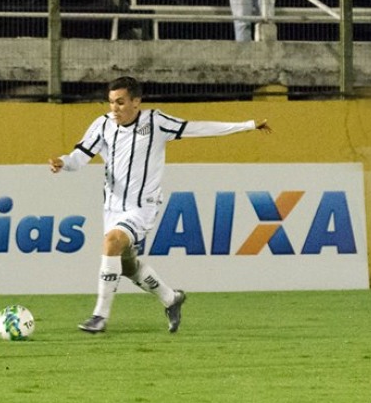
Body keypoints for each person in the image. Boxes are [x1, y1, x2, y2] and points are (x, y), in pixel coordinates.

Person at [48, 76, 273, 334]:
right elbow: (79, 157)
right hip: (111, 209)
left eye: (120, 102)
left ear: (136, 101)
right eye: (111, 102)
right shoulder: (103, 125)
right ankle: (171, 298)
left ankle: (99, 316)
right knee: (128, 267)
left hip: (142, 208)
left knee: (112, 242)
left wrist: (247, 125)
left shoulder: (156, 122)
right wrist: (63, 162)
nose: (114, 108)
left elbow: (198, 128)